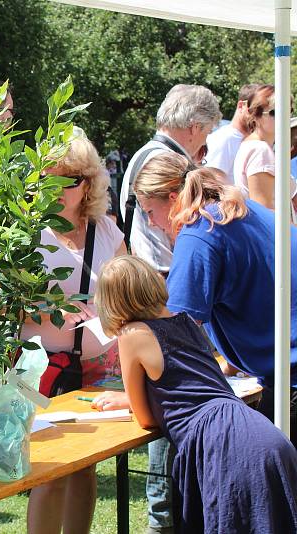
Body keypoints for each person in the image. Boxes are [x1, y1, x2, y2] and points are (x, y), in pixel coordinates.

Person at [95, 255, 297, 533]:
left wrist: (132, 401)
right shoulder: (186, 321)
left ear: (112, 300)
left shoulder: (132, 333)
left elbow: (146, 419)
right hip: (262, 435)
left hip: (222, 444)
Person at [123, 152, 297, 448]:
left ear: (173, 197)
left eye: (149, 211)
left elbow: (172, 330)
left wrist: (135, 396)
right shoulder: (242, 210)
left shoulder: (200, 232)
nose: (151, 224)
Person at [116, 84, 221, 534]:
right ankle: (162, 514)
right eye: (205, 137)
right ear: (195, 126)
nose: (204, 147)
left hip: (167, 305)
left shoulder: (156, 160)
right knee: (168, 403)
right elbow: (157, 241)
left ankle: (167, 514)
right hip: (163, 304)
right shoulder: (155, 162)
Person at [24, 134, 126, 534]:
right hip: (45, 368)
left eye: (70, 180)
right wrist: (51, 310)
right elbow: (5, 305)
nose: (59, 189)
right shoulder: (27, 234)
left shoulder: (105, 230)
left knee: (86, 467)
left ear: (89, 183)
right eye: (49, 179)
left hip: (100, 366)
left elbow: (126, 288)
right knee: (50, 471)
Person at [119, 84, 221, 273]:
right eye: (207, 132)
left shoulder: (147, 154)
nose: (205, 141)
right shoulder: (165, 162)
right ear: (194, 128)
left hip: (154, 275)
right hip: (167, 277)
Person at [233, 84, 297, 212]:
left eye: (288, 111)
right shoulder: (260, 150)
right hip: (271, 231)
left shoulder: (253, 144)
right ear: (256, 115)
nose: (284, 117)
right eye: (275, 112)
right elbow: (264, 210)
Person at [204, 83, 260, 179]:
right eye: (257, 108)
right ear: (241, 106)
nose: (261, 114)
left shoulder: (252, 141)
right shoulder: (225, 139)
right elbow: (211, 186)